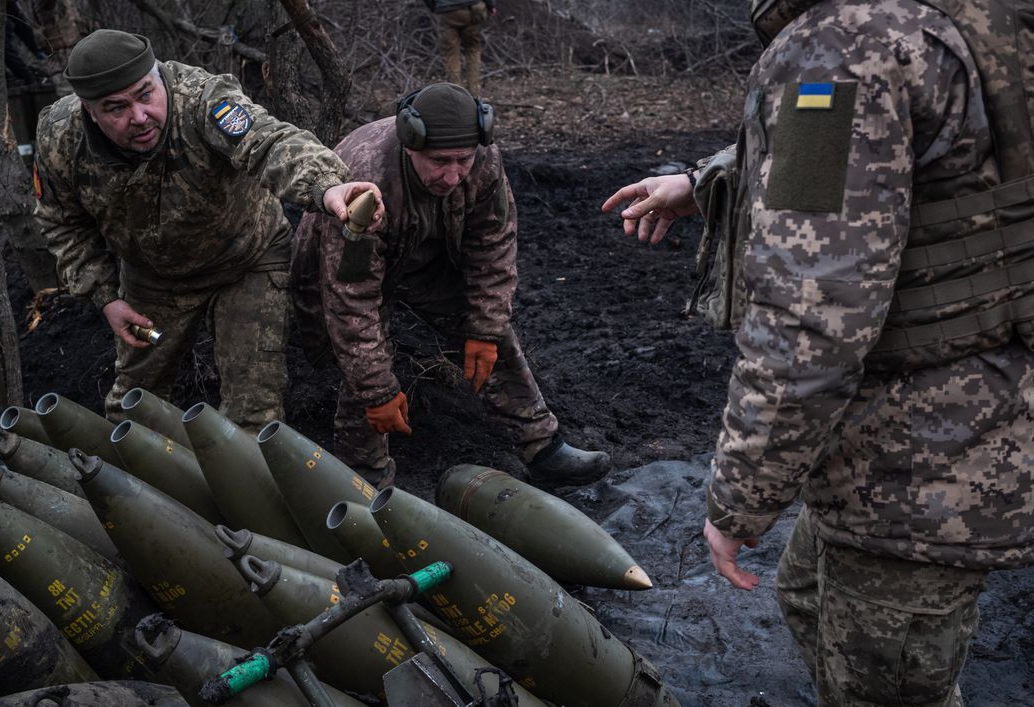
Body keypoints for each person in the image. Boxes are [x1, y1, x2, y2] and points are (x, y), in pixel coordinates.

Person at [603, 0, 1034, 707]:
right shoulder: (976, 18)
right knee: (814, 596)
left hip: (911, 460)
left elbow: (810, 320)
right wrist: (713, 177)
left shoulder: (838, 49)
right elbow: (912, 156)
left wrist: (739, 498)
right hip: (1018, 420)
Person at [33, 29, 382, 429]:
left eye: (146, 94)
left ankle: (246, 488)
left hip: (247, 261)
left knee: (253, 410)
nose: (140, 116)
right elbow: (61, 222)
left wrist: (328, 185)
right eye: (116, 108)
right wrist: (106, 297)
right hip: (153, 278)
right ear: (88, 110)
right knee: (133, 405)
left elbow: (269, 143)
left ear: (158, 78)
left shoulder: (202, 99)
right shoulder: (60, 137)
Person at [292, 82, 610, 489]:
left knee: (495, 341)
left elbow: (493, 245)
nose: (453, 175)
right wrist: (377, 391)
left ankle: (542, 446)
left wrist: (485, 330)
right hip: (343, 264)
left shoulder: (483, 160)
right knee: (365, 359)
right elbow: (352, 300)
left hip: (424, 253)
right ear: (411, 147)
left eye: (462, 160)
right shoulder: (366, 180)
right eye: (440, 161)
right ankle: (365, 480)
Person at [424, 0, 495, 96]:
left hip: (447, 12)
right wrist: (491, 6)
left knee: (451, 54)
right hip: (472, 9)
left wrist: (435, 7)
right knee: (473, 50)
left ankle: (456, 94)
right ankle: (474, 92)